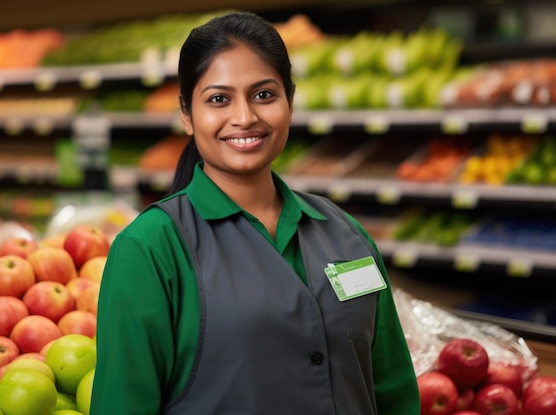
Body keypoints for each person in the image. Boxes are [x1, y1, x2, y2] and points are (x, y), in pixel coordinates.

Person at [90, 10, 420, 415]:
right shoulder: (150, 249)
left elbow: (393, 390)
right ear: (186, 115)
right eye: (218, 99)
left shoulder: (344, 234)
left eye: (264, 94)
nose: (245, 117)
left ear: (290, 103)